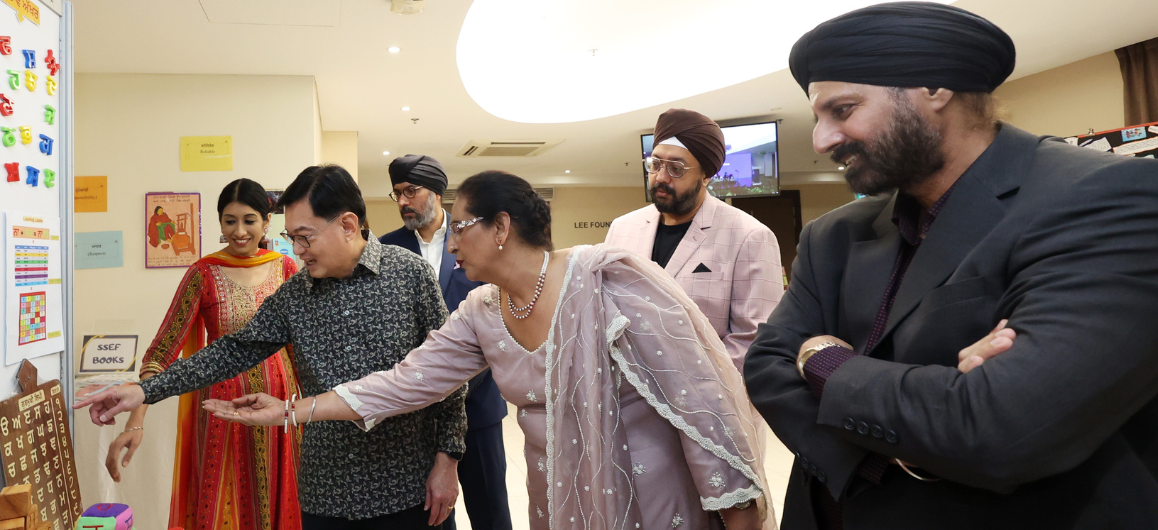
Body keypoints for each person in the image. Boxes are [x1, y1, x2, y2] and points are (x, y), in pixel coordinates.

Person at [744, 2, 1158, 529]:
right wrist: (914, 440)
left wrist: (822, 360)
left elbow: (1003, 427)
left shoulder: (1108, 197)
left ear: (934, 87)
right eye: (818, 118)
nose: (822, 140)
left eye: (842, 110)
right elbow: (765, 366)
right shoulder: (834, 235)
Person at [206, 171, 773, 530]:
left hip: (649, 496)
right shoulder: (481, 310)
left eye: (461, 228)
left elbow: (701, 402)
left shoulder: (610, 281)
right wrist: (289, 410)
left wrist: (737, 512)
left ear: (502, 226)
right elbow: (406, 382)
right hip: (559, 495)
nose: (449, 245)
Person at [77, 165, 468, 530]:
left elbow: (449, 374)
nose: (296, 249)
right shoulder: (296, 294)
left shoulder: (409, 275)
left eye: (304, 236)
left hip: (408, 487)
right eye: (292, 237)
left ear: (348, 225)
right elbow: (232, 350)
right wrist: (146, 390)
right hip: (325, 492)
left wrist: (447, 460)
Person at [106, 179, 302, 530]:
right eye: (230, 221)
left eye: (249, 220)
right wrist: (136, 421)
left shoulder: (286, 270)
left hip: (278, 408)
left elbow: (300, 350)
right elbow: (161, 353)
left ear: (266, 222)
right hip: (221, 410)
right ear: (219, 223)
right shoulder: (203, 273)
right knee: (224, 505)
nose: (239, 231)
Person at [378, 154, 512, 530]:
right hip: (417, 414)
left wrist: (464, 383)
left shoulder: (475, 235)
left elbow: (500, 316)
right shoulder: (386, 251)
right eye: (397, 194)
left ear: (436, 191)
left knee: (491, 511)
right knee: (432, 515)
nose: (403, 202)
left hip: (480, 408)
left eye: (411, 191)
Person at [606, 109, 785, 372]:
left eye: (676, 169)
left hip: (706, 401)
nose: (661, 177)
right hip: (626, 395)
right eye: (655, 164)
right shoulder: (623, 228)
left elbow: (753, 339)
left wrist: (688, 388)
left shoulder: (749, 236)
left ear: (706, 175)